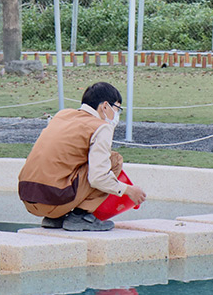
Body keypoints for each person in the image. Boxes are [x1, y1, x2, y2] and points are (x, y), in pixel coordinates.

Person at [18, 82, 146, 231]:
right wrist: (129, 190)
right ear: (105, 106)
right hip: (55, 200)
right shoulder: (101, 127)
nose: (117, 115)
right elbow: (98, 178)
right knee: (114, 160)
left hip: (28, 197)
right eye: (117, 109)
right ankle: (80, 217)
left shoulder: (62, 115)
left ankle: (56, 218)